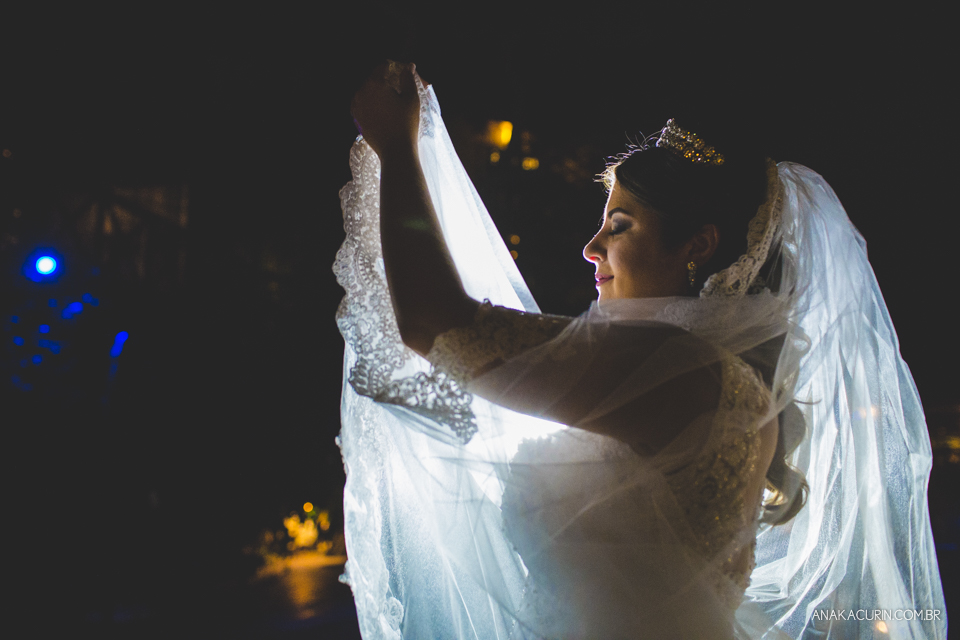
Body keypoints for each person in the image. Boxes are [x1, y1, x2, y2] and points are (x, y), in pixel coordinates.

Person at [336, 62, 946, 639]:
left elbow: (439, 326)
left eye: (620, 226)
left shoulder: (686, 370)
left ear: (697, 246)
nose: (591, 247)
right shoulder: (705, 374)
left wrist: (398, 146)